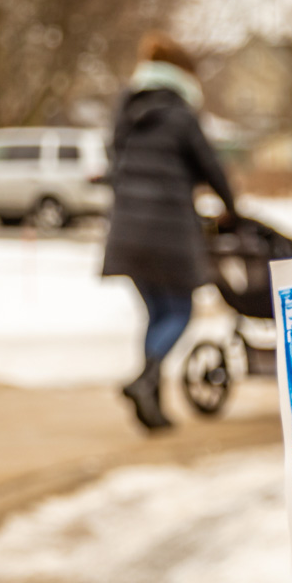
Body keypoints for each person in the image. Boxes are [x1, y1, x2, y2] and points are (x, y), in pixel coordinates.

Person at [101, 32, 238, 431]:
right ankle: (145, 381)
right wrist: (232, 207)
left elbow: (113, 160)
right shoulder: (179, 113)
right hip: (168, 230)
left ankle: (152, 407)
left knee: (157, 313)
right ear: (183, 76)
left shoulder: (126, 109)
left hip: (126, 230)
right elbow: (211, 165)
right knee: (179, 311)